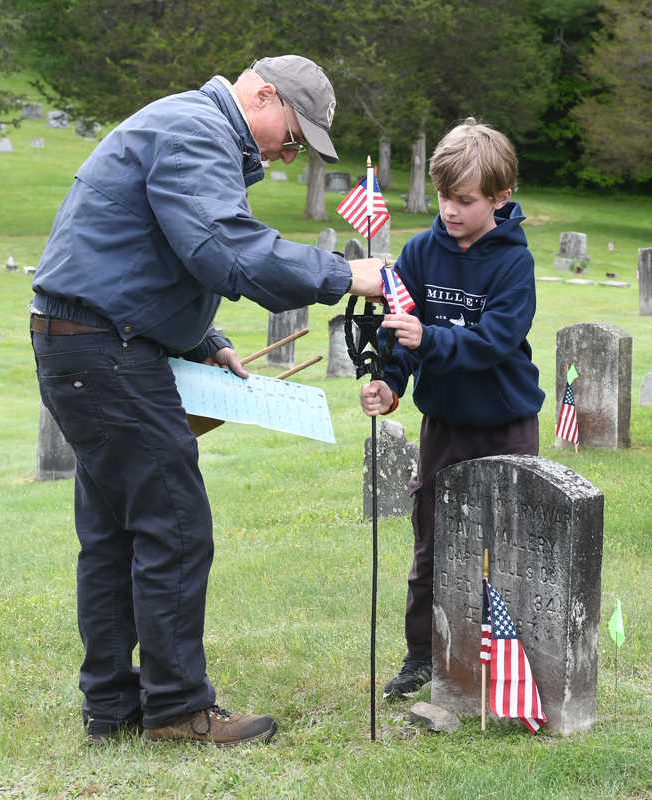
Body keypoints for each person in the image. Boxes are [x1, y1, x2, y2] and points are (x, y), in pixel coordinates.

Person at [30, 55, 386, 746]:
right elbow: (224, 247)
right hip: (108, 351)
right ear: (263, 95)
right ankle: (177, 710)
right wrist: (343, 273)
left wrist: (200, 338)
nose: (288, 153)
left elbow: (151, 252)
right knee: (174, 525)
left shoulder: (185, 125)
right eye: (294, 132)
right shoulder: (197, 132)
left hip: (84, 342)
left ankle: (112, 707)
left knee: (113, 535)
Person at [358, 118, 545, 698]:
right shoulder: (419, 254)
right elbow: (397, 335)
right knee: (432, 545)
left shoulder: (513, 263)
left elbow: (495, 340)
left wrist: (429, 340)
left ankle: (514, 660)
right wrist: (388, 385)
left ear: (499, 198)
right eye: (444, 197)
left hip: (507, 424)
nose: (451, 211)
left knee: (508, 548)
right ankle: (424, 655)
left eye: (465, 201)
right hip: (444, 425)